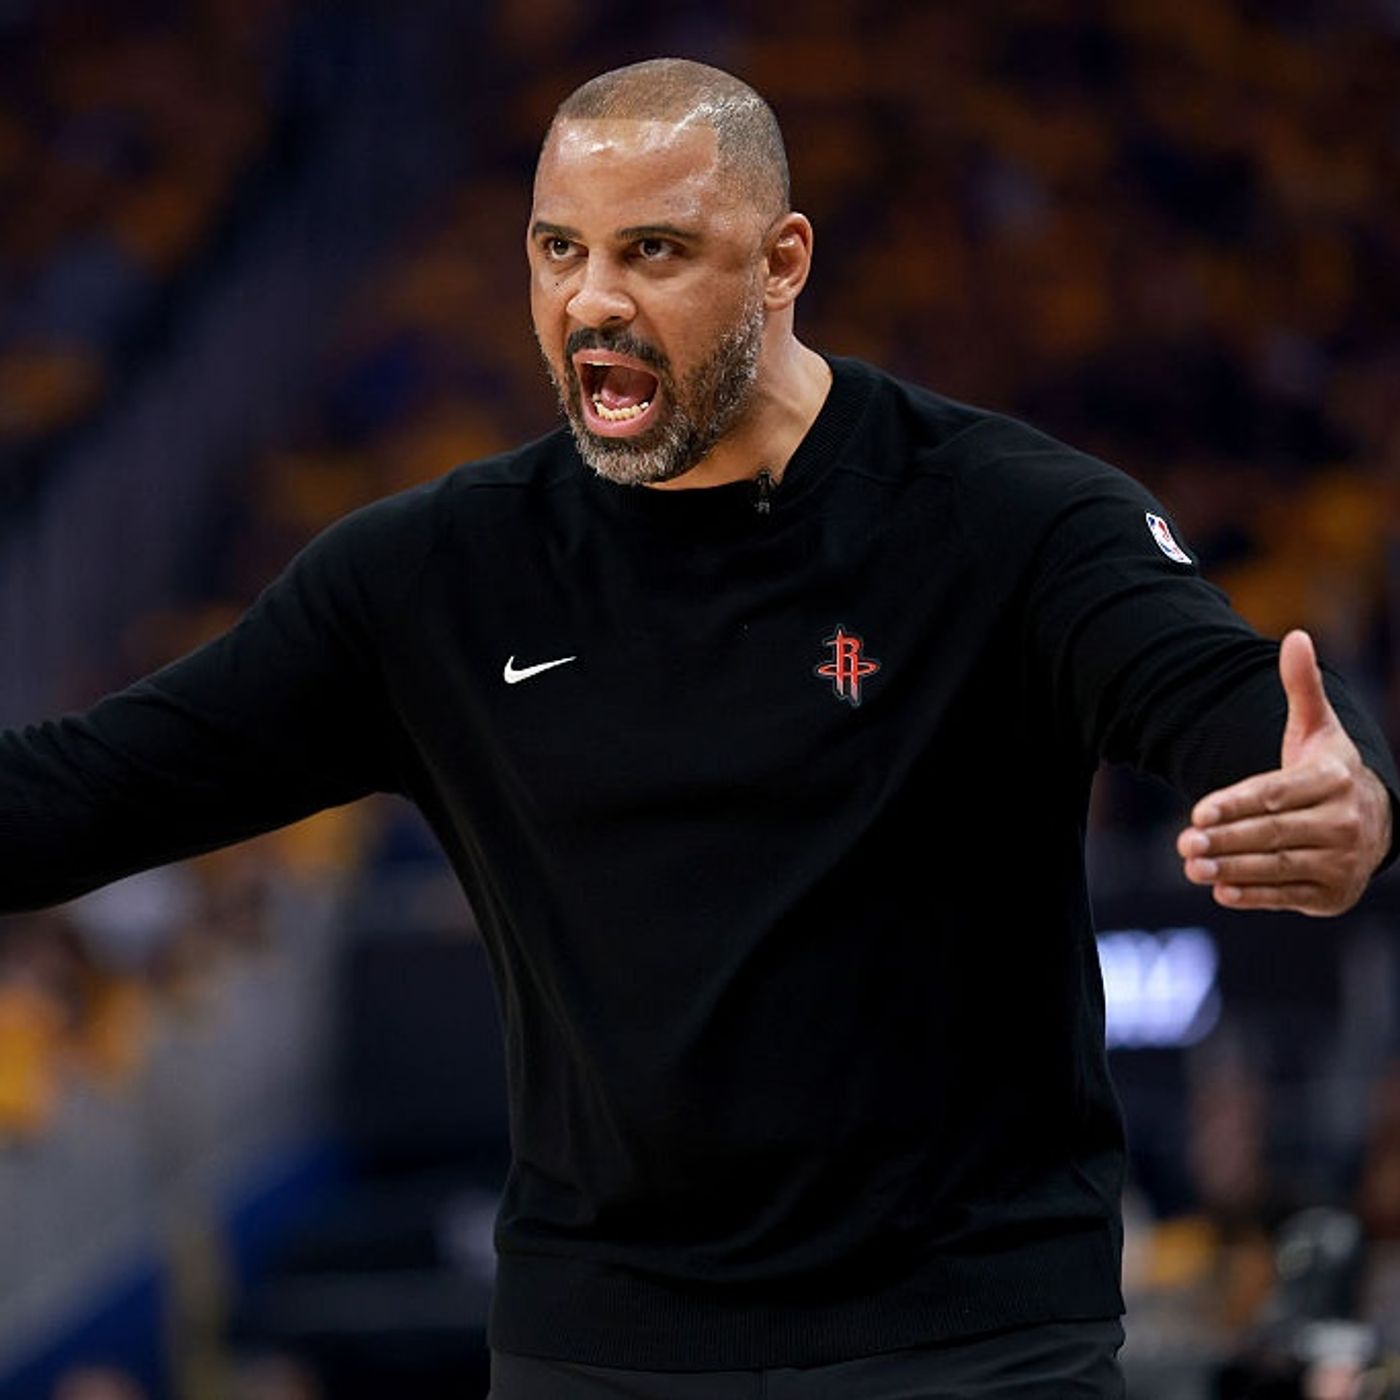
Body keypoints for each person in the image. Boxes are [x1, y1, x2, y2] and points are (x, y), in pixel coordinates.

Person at [2, 57, 1396, 1399]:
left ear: (783, 263)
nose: (592, 302)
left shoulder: (1004, 514)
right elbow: (96, 787)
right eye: (559, 251)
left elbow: (1235, 704)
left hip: (967, 1341)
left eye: (655, 252)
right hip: (601, 1345)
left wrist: (1345, 798)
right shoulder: (431, 578)